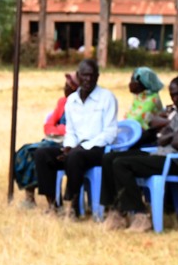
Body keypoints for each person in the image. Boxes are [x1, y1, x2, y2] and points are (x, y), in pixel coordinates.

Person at [100, 75, 178, 232]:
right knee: (109, 158)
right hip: (162, 153)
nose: (176, 99)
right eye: (172, 95)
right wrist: (172, 135)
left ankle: (140, 215)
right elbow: (161, 139)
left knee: (121, 164)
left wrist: (171, 136)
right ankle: (115, 211)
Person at [33, 59, 118, 218]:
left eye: (92, 75)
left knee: (75, 156)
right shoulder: (71, 100)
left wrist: (82, 147)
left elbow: (110, 133)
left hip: (98, 149)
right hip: (76, 149)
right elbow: (71, 131)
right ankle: (53, 205)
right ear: (78, 76)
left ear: (98, 76)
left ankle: (72, 206)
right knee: (42, 154)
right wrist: (68, 146)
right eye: (84, 75)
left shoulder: (107, 98)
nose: (88, 79)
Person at [13, 73, 78, 207]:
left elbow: (76, 130)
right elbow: (48, 125)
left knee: (39, 153)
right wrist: (59, 129)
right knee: (25, 151)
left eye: (68, 86)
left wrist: (59, 129)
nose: (65, 89)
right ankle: (29, 196)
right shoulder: (62, 102)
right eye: (65, 86)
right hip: (53, 139)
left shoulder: (81, 105)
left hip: (68, 143)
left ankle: (52, 203)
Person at [123, 66, 166, 146]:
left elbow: (137, 120)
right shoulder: (139, 96)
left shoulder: (153, 99)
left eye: (133, 80)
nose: (130, 83)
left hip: (147, 137)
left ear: (144, 82)